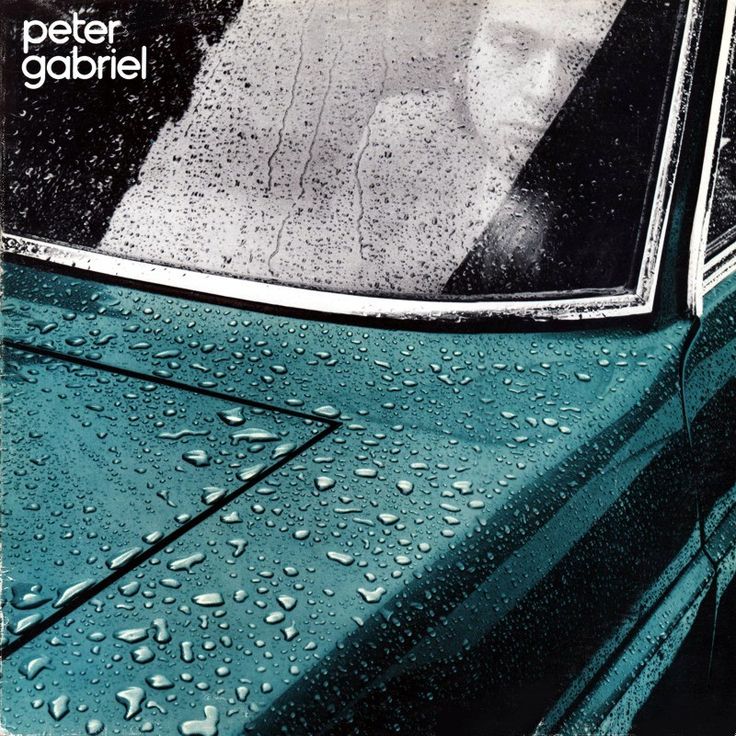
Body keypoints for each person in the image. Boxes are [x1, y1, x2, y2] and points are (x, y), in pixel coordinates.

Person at [98, 0, 625, 297]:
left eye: (582, 60)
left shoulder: (628, 191)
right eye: (513, 45)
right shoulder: (398, 138)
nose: (545, 90)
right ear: (465, 53)